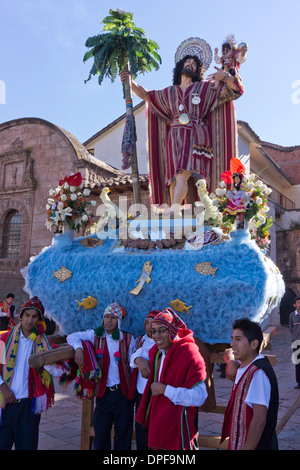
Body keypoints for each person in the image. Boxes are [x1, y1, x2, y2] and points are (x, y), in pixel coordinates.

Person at [120, 37, 244, 213]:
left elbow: (235, 90)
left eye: (194, 63)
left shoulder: (206, 88)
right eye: (187, 61)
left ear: (198, 69)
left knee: (182, 174)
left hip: (195, 134)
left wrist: (225, 76)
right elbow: (146, 95)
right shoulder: (169, 92)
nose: (190, 65)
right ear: (180, 67)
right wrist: (129, 81)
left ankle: (175, 211)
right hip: (174, 135)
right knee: (173, 177)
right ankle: (175, 212)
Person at [135, 308, 207, 450]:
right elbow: (137, 355)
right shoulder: (156, 353)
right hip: (158, 428)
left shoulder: (189, 353)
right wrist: (137, 359)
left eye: (162, 330)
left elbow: (200, 397)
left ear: (172, 330)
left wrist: (165, 390)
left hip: (178, 430)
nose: (156, 335)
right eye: (154, 331)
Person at [66, 302, 135, 450]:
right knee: (101, 431)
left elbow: (132, 364)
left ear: (119, 321)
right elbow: (72, 337)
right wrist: (78, 348)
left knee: (123, 433)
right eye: (106, 317)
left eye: (113, 318)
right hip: (103, 394)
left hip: (123, 394)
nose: (109, 321)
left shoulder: (128, 338)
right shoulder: (95, 335)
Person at [0, 296, 66, 450]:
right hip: (4, 404)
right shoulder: (4, 339)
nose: (30, 320)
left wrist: (46, 361)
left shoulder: (43, 344)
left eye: (34, 316)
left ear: (39, 320)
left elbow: (57, 372)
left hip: (28, 406)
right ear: (20, 316)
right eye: (27, 315)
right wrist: (3, 388)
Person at [220, 318, 279, 450]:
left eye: (238, 339)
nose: (232, 344)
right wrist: (230, 362)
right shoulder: (245, 364)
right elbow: (227, 352)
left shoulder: (258, 373)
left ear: (253, 344)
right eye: (232, 338)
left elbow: (259, 420)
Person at [129, 309, 158, 449]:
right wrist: (138, 360)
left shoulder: (162, 342)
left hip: (157, 393)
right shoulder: (140, 340)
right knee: (141, 428)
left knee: (157, 429)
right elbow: (132, 356)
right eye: (147, 323)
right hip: (141, 393)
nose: (149, 326)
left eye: (152, 323)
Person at [289, 296, 300, 389]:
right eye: (298, 302)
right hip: (296, 341)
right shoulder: (292, 315)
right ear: (294, 305)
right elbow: (291, 328)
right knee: (297, 362)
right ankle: (299, 382)